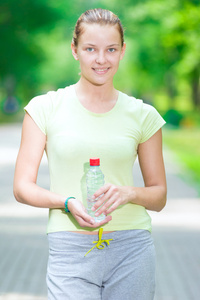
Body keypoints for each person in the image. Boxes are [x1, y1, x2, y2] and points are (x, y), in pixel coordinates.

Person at [13, 8, 167, 300]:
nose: (101, 59)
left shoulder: (143, 115)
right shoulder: (44, 109)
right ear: (75, 50)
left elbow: (159, 196)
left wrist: (129, 193)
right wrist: (66, 202)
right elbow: (21, 187)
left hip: (131, 249)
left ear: (123, 51)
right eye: (90, 49)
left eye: (111, 49)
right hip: (69, 248)